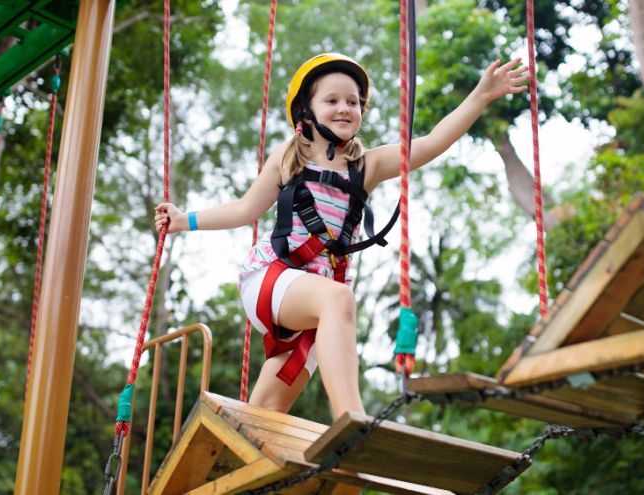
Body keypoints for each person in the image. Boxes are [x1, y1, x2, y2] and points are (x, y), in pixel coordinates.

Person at [155, 53, 529, 421]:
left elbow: (430, 144)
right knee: (340, 298)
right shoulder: (290, 158)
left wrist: (480, 96)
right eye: (331, 100)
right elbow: (244, 210)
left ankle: (236, 468)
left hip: (318, 306)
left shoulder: (367, 166)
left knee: (265, 414)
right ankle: (353, 418)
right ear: (307, 110)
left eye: (353, 101)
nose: (344, 108)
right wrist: (183, 220)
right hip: (271, 281)